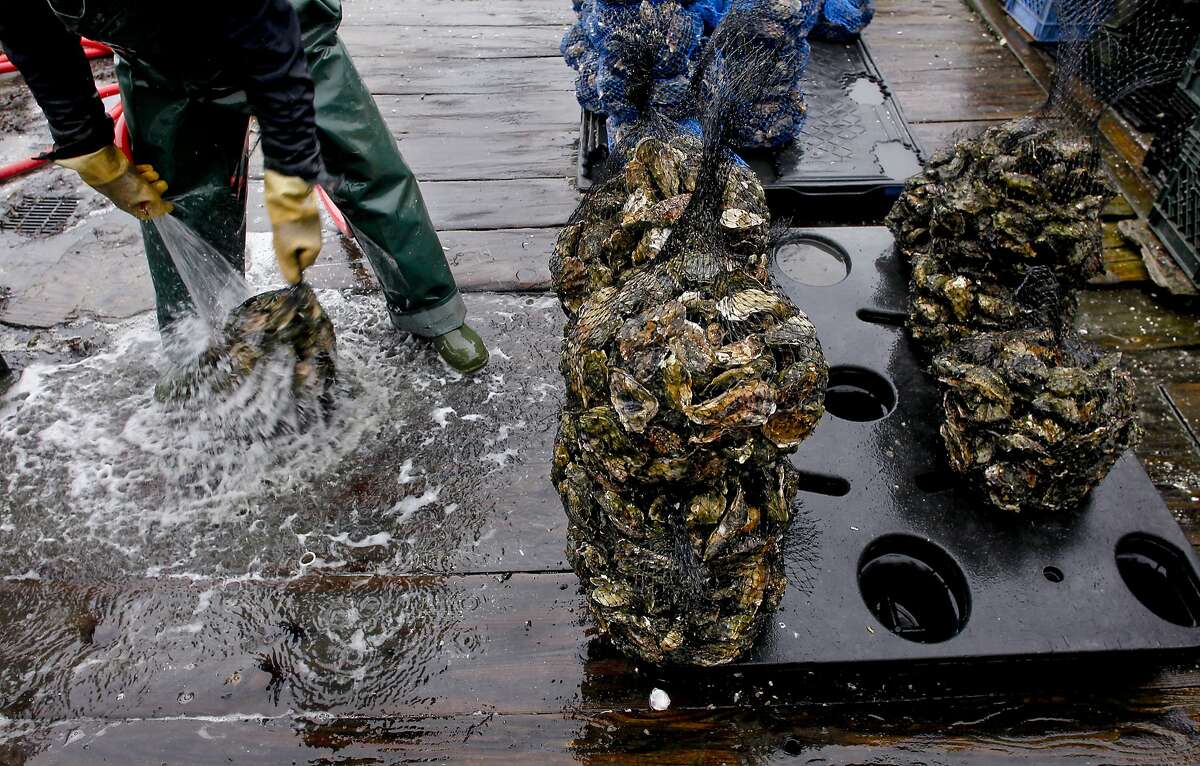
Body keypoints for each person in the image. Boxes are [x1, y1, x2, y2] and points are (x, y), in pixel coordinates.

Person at [0, 0, 489, 373]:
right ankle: (197, 348)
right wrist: (84, 140)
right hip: (157, 63)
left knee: (358, 166)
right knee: (184, 198)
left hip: (280, 31)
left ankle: (431, 312)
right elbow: (29, 29)